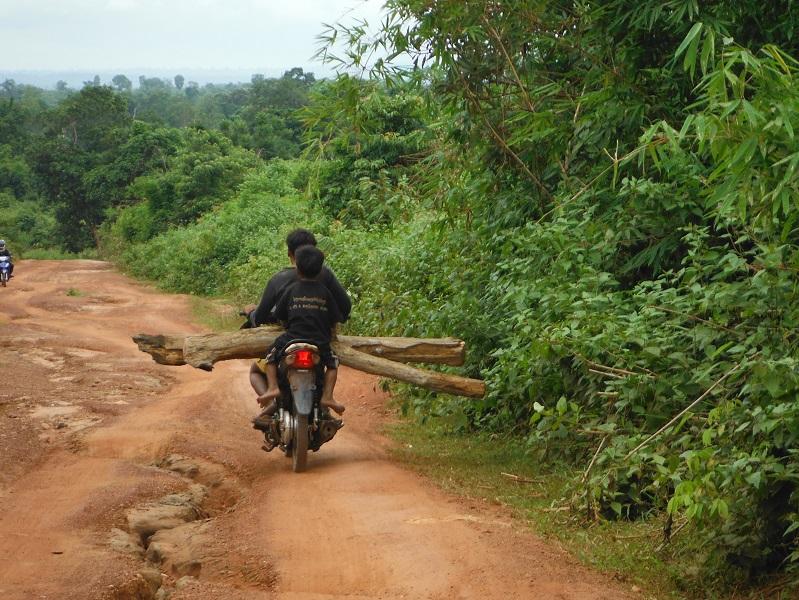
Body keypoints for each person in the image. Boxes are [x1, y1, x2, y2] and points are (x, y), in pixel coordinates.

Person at [245, 229, 350, 414]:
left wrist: (252, 314)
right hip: (320, 340)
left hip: (291, 338)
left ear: (291, 255)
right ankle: (327, 398)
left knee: (259, 366)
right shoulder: (326, 279)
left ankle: (272, 394)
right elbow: (342, 311)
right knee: (332, 363)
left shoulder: (281, 280)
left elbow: (273, 315)